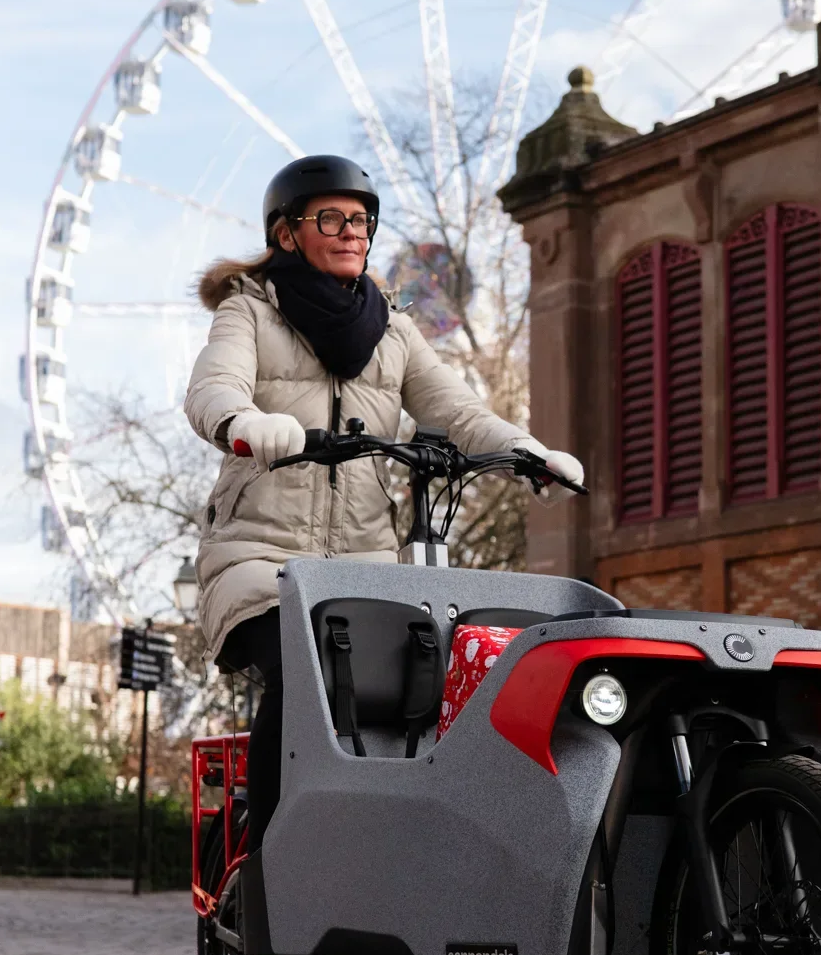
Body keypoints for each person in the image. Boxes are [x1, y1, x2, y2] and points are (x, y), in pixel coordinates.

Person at [185, 153, 582, 851]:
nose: (351, 232)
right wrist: (246, 424)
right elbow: (213, 390)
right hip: (259, 558)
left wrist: (528, 450)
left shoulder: (393, 331)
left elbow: (456, 410)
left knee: (435, 678)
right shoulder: (250, 312)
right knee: (303, 666)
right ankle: (272, 858)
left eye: (361, 220)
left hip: (366, 563)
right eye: (330, 218)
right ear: (287, 235)